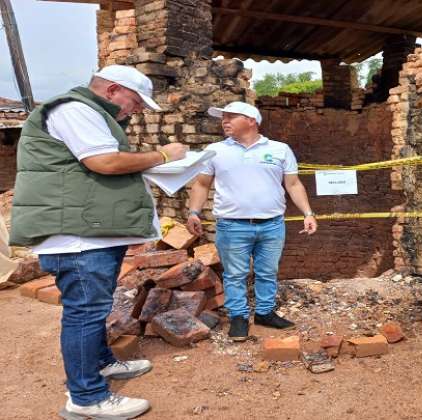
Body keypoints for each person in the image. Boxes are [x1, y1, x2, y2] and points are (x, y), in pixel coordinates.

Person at [10, 64, 188, 419]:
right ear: (111, 91)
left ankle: (102, 364)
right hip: (76, 237)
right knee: (85, 313)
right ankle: (86, 398)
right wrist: (164, 155)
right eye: (135, 102)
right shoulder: (74, 110)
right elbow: (104, 161)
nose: (136, 110)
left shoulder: (90, 113)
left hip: (87, 233)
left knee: (95, 308)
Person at [186, 101, 317, 342]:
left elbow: (293, 184)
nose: (225, 121)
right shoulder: (215, 150)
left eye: (231, 117)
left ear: (251, 121)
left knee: (268, 271)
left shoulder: (280, 149)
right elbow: (202, 184)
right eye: (223, 117)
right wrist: (194, 212)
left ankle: (265, 312)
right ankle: (238, 318)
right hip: (232, 224)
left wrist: (308, 213)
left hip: (272, 224)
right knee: (235, 274)